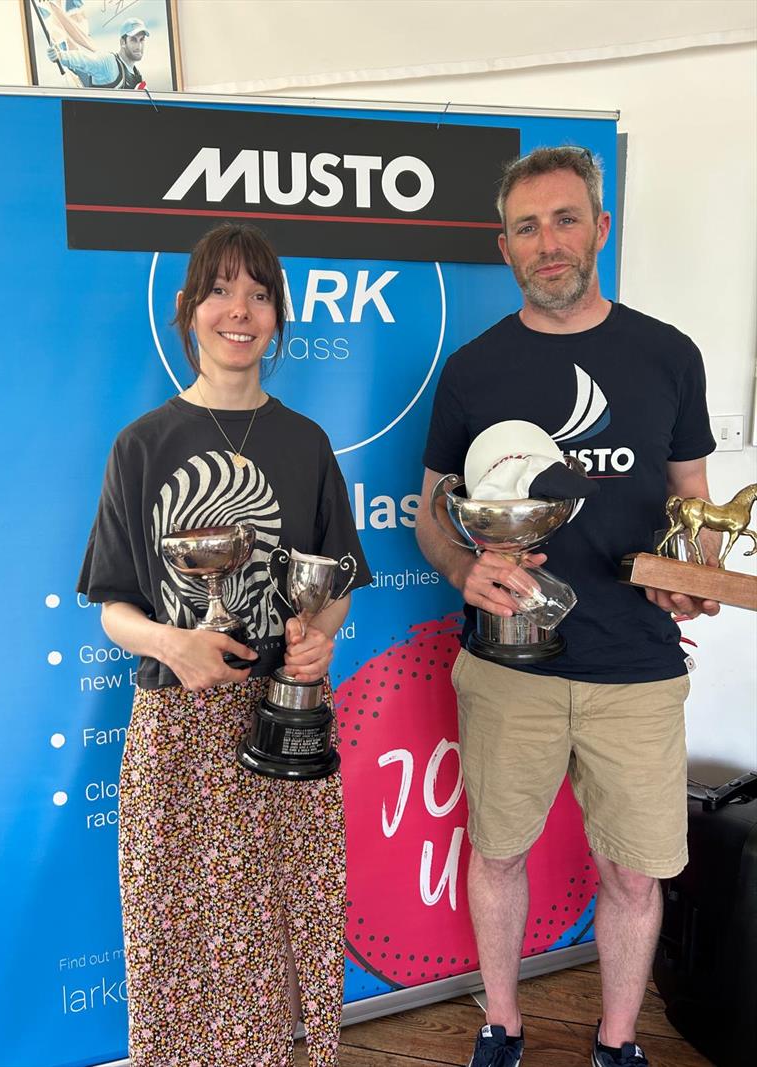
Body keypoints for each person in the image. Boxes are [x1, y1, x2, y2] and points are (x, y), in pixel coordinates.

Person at [415, 146, 720, 1067]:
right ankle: (501, 1024)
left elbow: (694, 514)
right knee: (498, 853)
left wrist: (694, 573)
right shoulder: (472, 372)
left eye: (564, 219)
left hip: (636, 666)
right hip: (509, 666)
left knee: (634, 872)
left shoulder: (669, 354)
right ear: (502, 245)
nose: (548, 243)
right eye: (526, 227)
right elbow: (434, 512)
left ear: (600, 227)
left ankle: (618, 1041)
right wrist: (462, 571)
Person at [78, 223, 371, 1066]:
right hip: (177, 723)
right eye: (220, 290)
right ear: (188, 309)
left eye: (259, 294)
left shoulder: (307, 444)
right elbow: (113, 607)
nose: (239, 310)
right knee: (176, 921)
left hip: (286, 718)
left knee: (288, 915)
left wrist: (318, 642)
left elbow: (337, 584)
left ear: (278, 317)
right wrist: (175, 644)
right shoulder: (141, 446)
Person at [46, 15, 148, 89]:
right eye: (133, 40)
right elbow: (84, 60)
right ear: (123, 42)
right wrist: (60, 56)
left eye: (141, 40)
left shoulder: (136, 75)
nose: (139, 46)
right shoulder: (110, 63)